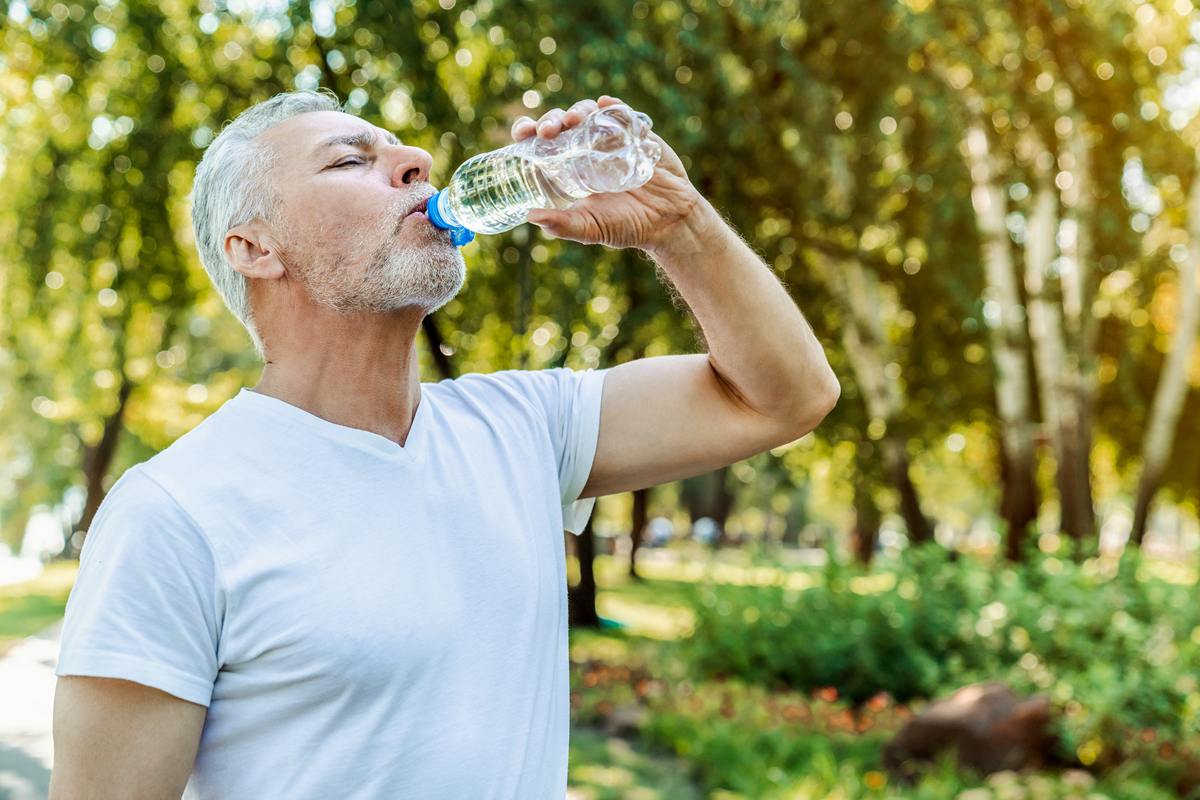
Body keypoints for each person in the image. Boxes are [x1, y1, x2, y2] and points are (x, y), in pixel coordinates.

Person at [48, 90, 839, 800]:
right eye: (352, 159)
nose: (419, 163)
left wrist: (682, 225)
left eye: (404, 151)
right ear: (255, 247)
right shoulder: (174, 514)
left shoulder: (528, 427)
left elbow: (784, 397)